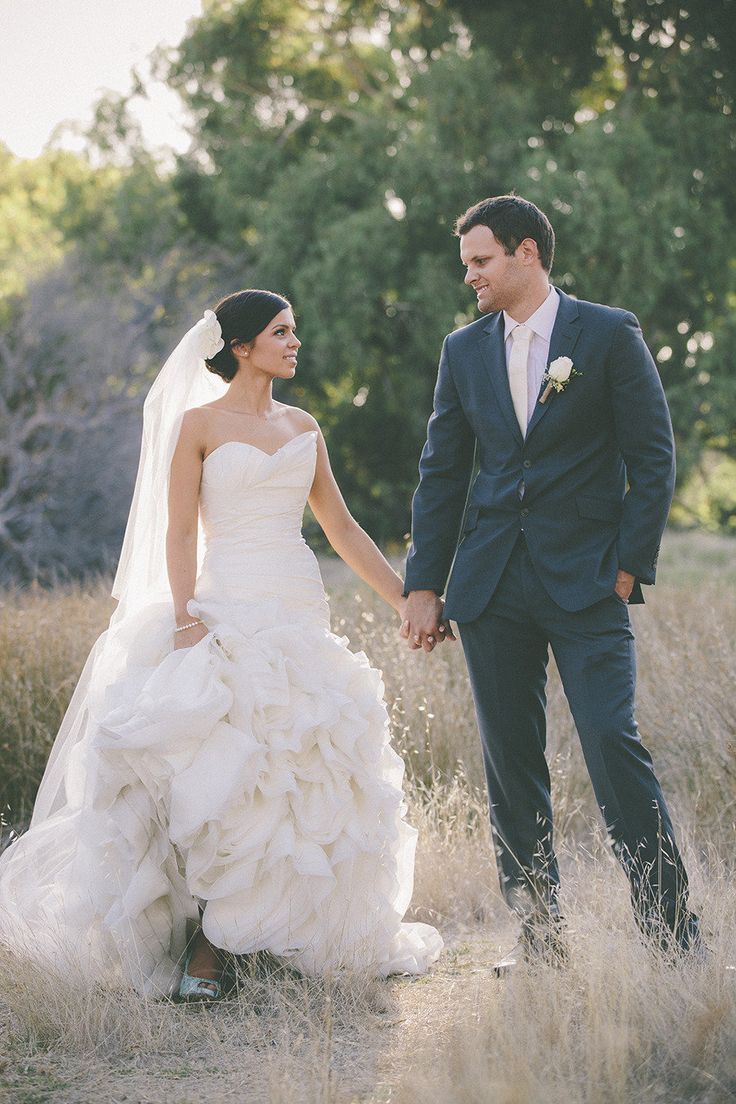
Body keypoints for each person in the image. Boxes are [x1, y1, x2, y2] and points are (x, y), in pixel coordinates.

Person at [0, 289, 442, 1000]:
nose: (296, 342)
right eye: (281, 331)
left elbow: (343, 529)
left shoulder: (305, 425)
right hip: (225, 604)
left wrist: (406, 599)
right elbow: (179, 531)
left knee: (299, 767)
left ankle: (270, 934)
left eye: (295, 330)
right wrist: (184, 617)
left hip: (297, 606)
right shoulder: (199, 424)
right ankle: (207, 949)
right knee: (229, 774)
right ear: (241, 346)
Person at [401, 194, 702, 974]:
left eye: (481, 260)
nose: (468, 275)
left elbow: (653, 453)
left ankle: (673, 938)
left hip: (588, 584)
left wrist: (628, 565)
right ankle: (539, 938)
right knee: (512, 764)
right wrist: (423, 583)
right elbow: (442, 475)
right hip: (492, 584)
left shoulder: (605, 334)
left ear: (527, 253)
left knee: (612, 742)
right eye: (467, 262)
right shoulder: (463, 352)